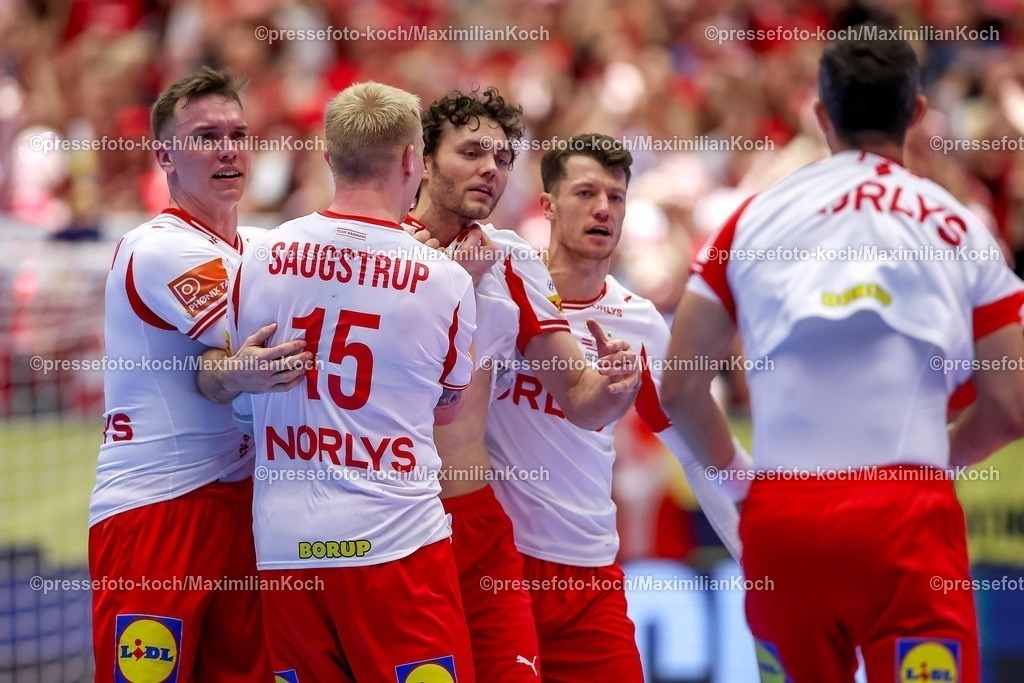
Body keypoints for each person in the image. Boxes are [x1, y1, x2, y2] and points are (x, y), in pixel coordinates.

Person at [660, 27, 1024, 683]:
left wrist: (745, 485)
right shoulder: (959, 224)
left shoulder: (751, 220)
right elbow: (1010, 406)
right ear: (915, 113)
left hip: (783, 520)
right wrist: (938, 459)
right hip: (908, 515)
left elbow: (680, 389)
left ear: (820, 114)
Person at [229, 81, 477, 682]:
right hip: (396, 548)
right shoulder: (444, 279)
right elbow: (447, 410)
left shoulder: (260, 255)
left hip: (289, 548)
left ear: (329, 157)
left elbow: (242, 395)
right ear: (412, 161)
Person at [407, 89, 642, 682]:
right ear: (423, 161)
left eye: (504, 157)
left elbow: (581, 401)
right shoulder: (377, 253)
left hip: (479, 522)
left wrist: (613, 386)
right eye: (473, 152)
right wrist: (445, 283)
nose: (492, 168)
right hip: (394, 514)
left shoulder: (510, 261)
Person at [88, 67, 305, 683]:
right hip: (159, 509)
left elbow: (224, 369)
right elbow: (249, 347)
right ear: (165, 156)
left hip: (242, 500)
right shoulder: (157, 246)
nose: (229, 149)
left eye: (238, 133)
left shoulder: (262, 244)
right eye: (206, 136)